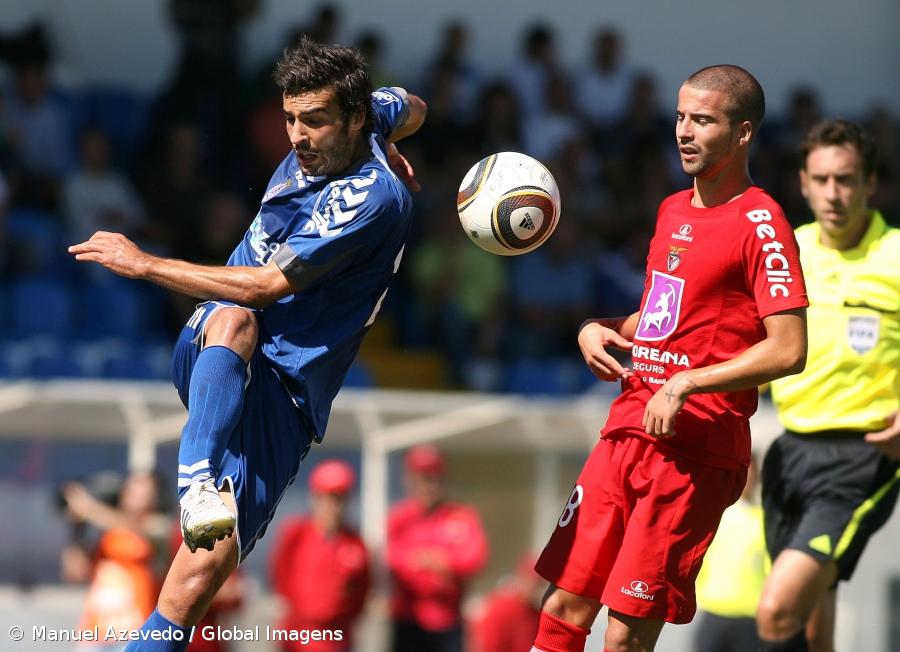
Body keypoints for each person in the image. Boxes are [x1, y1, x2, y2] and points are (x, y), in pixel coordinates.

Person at [68, 36, 425, 652]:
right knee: (235, 318)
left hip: (287, 395)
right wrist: (393, 133)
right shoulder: (367, 122)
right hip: (219, 342)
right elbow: (415, 105)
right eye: (289, 118)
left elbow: (267, 283)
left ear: (354, 116)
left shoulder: (372, 197)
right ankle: (196, 477)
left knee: (197, 577)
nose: (296, 136)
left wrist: (143, 263)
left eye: (313, 120)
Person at [530, 64, 809, 652]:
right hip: (627, 429)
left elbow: (789, 348)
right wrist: (598, 328)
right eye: (680, 116)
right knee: (562, 605)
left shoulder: (763, 223)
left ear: (743, 134)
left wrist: (686, 385)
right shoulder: (672, 211)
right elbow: (661, 317)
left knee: (625, 633)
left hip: (694, 450)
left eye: (702, 120)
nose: (684, 131)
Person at [756, 119, 900, 652]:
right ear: (802, 182)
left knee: (775, 610)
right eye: (821, 180)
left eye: (845, 179)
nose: (833, 194)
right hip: (790, 451)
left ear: (869, 183)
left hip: (863, 456)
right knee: (812, 622)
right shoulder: (786, 253)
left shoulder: (896, 255)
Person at [387, 445, 489, 652]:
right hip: (409, 621)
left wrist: (435, 562)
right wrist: (443, 566)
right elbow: (396, 563)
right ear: (410, 480)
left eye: (435, 477)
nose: (429, 485)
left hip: (448, 623)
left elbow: (475, 559)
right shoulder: (400, 518)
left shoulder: (461, 515)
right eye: (423, 477)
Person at [269, 459, 371, 652]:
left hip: (337, 638)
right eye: (330, 497)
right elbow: (279, 574)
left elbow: (363, 589)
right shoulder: (296, 534)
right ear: (316, 497)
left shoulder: (355, 543)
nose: (335, 506)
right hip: (299, 636)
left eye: (341, 498)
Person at [60, 471, 170, 648]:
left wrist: (87, 508)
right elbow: (75, 572)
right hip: (94, 635)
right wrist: (77, 527)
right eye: (130, 484)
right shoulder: (107, 533)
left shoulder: (159, 527)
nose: (129, 489)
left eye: (140, 485)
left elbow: (134, 527)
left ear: (156, 494)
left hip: (134, 634)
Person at [693, 454, 766, 652]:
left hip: (751, 617)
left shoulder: (765, 520)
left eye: (753, 471)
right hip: (713, 612)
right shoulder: (714, 515)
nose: (749, 477)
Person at [469, 552, 544, 652]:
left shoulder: (536, 614)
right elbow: (487, 644)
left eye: (540, 583)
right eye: (533, 581)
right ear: (522, 577)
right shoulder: (502, 607)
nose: (536, 588)